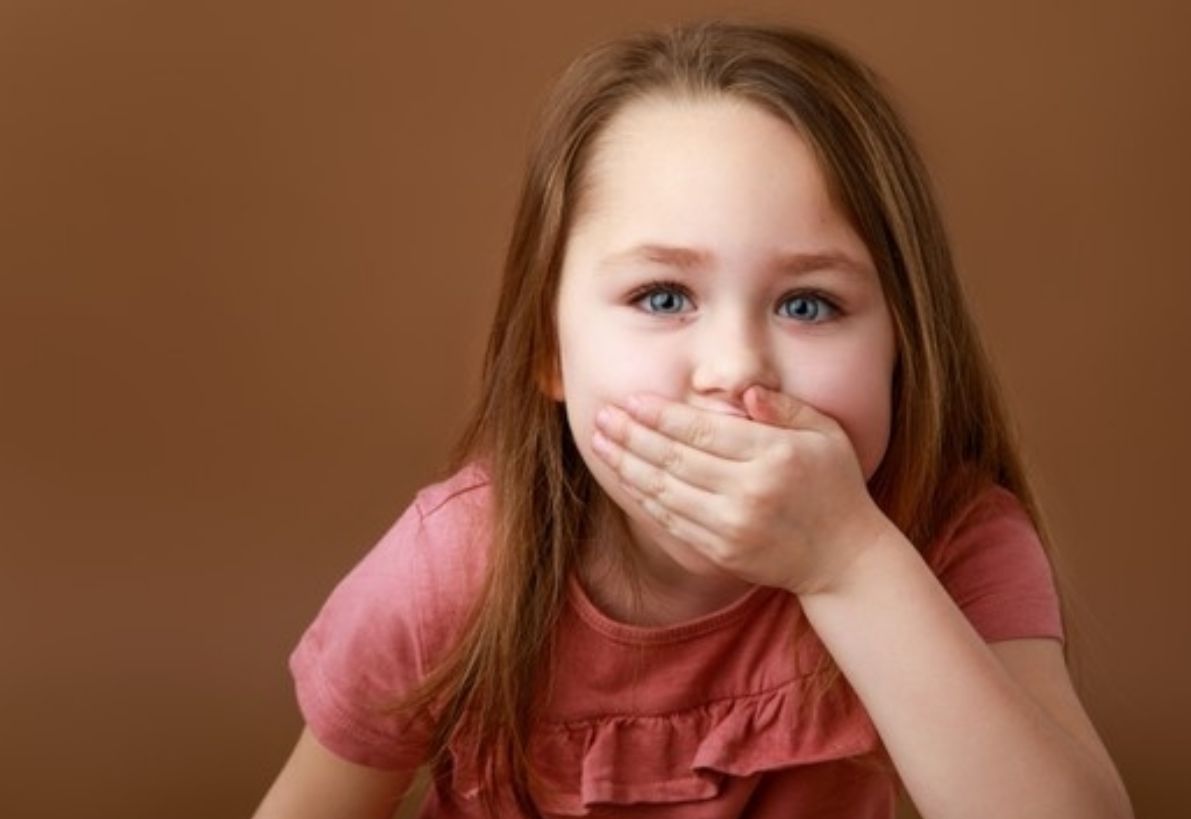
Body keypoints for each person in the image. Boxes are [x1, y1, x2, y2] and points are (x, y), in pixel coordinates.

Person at [253, 18, 1134, 819]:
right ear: (549, 350)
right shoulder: (456, 566)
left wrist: (852, 563)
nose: (735, 368)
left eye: (808, 304)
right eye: (663, 296)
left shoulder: (942, 535)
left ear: (905, 345)